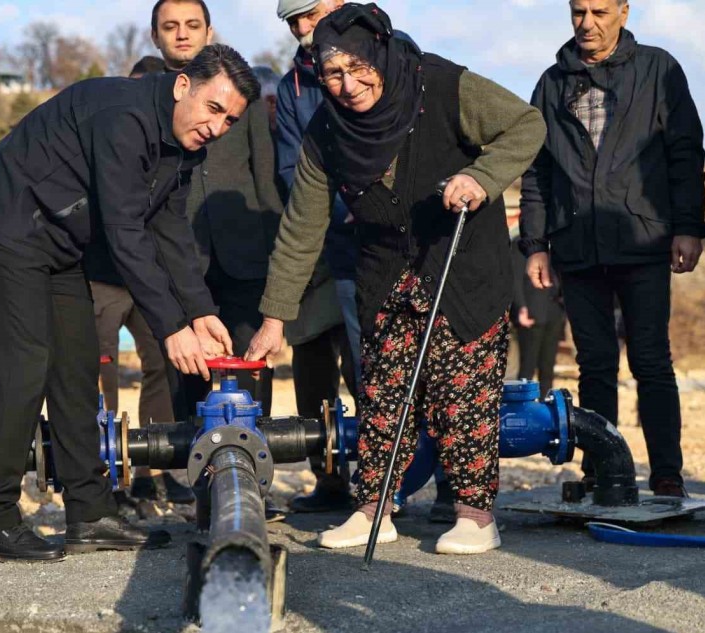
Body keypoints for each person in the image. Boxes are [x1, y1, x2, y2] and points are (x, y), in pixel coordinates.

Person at [246, 3, 546, 555]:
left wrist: (481, 177)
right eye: (333, 74)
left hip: (460, 262)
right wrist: (275, 317)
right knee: (383, 392)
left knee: (463, 391)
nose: (348, 84)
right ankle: (374, 509)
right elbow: (301, 227)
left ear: (380, 54)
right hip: (385, 269)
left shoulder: (444, 85)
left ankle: (476, 517)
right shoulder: (327, 131)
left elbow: (526, 124)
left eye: (359, 68)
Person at [0, 44, 256, 562]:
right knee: (27, 367)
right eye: (214, 109)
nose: (218, 126)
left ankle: (89, 513)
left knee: (75, 368)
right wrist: (171, 328)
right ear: (184, 85)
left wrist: (201, 312)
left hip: (60, 239)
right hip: (7, 225)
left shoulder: (183, 146)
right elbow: (124, 230)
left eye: (230, 120)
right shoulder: (124, 117)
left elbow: (170, 230)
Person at [518, 0, 705, 498]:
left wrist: (689, 227)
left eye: (600, 11)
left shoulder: (658, 68)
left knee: (651, 360)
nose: (587, 22)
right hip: (576, 246)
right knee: (595, 364)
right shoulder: (551, 83)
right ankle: (603, 468)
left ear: (624, 11)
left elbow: (684, 152)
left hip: (643, 241)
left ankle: (667, 474)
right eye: (578, 11)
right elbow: (537, 171)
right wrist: (535, 245)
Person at [274, 0, 452, 521]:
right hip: (345, 252)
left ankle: (448, 481)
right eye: (294, 22)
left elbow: (417, 140)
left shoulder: (396, 57)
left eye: (311, 15)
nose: (305, 29)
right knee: (367, 367)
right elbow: (293, 169)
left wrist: (381, 199)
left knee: (431, 364)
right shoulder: (294, 90)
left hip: (413, 241)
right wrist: (354, 201)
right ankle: (363, 488)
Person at [151, 0, 284, 420]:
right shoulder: (148, 100)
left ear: (210, 32)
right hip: (181, 260)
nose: (182, 33)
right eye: (170, 26)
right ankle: (198, 477)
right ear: (155, 36)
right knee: (187, 379)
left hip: (246, 258)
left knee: (250, 373)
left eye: (192, 25)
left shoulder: (244, 94)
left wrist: (276, 258)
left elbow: (266, 181)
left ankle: (252, 468)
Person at [83, 52, 193, 506]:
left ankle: (156, 467)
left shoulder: (174, 150)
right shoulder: (110, 132)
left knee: (163, 369)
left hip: (149, 282)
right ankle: (105, 474)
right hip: (103, 278)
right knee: (99, 371)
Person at [511, 241, 566, 398]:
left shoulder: (556, 244)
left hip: (554, 312)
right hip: (531, 314)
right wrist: (521, 307)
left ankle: (545, 406)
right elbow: (515, 279)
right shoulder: (521, 245)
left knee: (547, 368)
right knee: (527, 368)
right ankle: (522, 407)